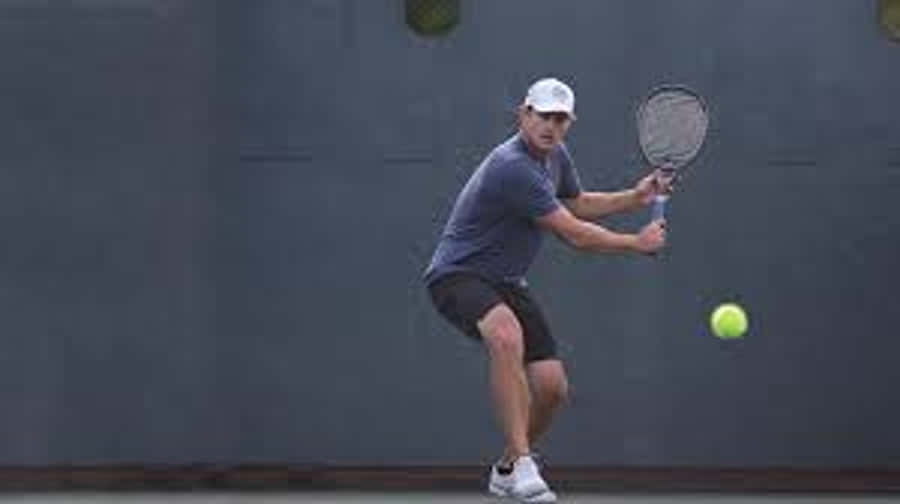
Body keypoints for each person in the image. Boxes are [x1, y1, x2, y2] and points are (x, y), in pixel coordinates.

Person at [423, 77, 668, 503]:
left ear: (568, 123)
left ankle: (505, 469)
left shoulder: (556, 158)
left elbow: (576, 204)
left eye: (559, 118)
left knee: (552, 388)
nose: (550, 126)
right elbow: (574, 233)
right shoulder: (511, 166)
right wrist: (635, 243)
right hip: (457, 274)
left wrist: (635, 197)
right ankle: (522, 461)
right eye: (542, 115)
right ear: (524, 114)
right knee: (505, 335)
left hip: (505, 280)